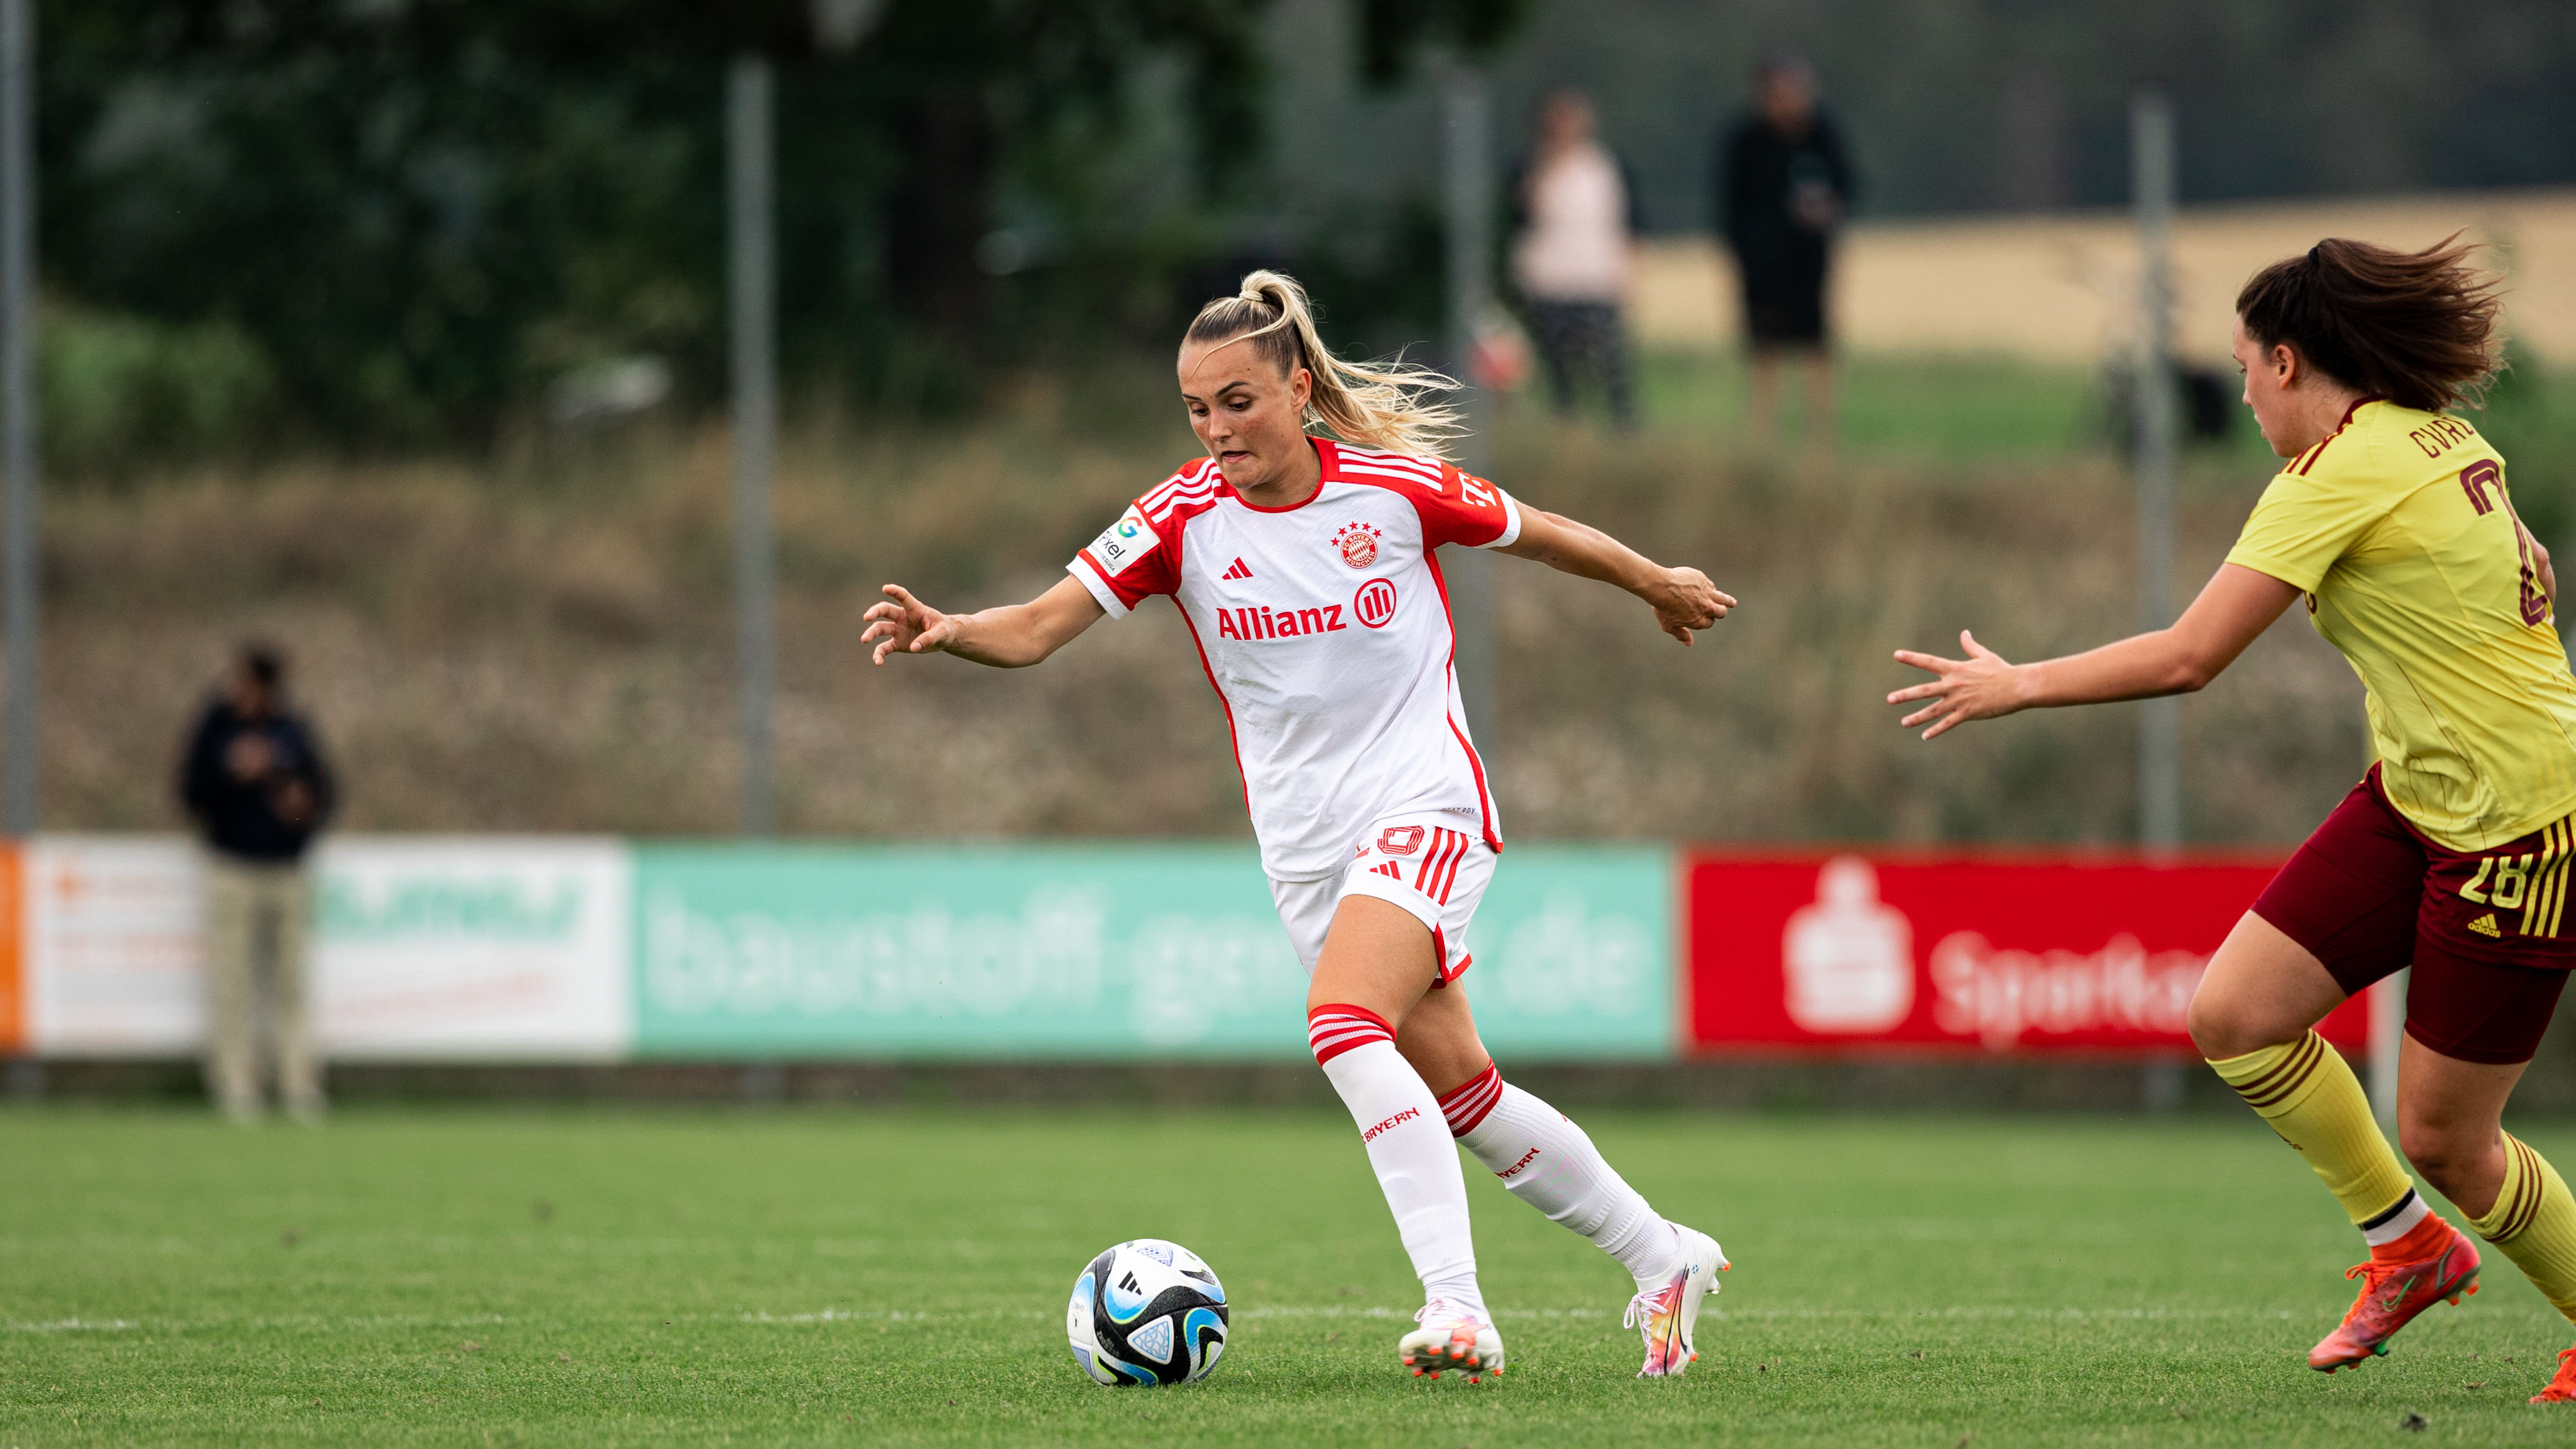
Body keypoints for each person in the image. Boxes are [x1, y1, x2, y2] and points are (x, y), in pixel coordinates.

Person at [863, 271, 1735, 1381]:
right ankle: (1662, 1254)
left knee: (1340, 1024)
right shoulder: (1177, 518)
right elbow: (1038, 627)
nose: (1216, 428)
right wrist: (950, 629)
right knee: (1464, 1090)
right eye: (1196, 408)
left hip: (1427, 804)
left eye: (1238, 401)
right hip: (1309, 850)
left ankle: (1458, 1308)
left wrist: (1658, 581)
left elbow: (1542, 531)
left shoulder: (1393, 490)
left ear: (1300, 388)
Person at [1888, 237, 2576, 1404]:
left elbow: (2191, 654)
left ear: (2291, 361)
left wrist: (2020, 684)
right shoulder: (2442, 434)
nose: (2244, 391)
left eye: (2248, 367)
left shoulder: (2342, 470)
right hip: (2418, 798)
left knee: (2452, 1138)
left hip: (2519, 827)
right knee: (2236, 1014)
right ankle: (2406, 1248)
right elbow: (2530, 564)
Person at [178, 644, 336, 1123]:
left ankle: (297, 1084)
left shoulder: (294, 730)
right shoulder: (216, 725)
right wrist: (233, 772)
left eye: (247, 683)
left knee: (291, 984)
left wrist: (294, 800)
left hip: (286, 871)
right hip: (232, 869)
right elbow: (191, 792)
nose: (238, 691)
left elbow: (319, 801)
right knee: (232, 981)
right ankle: (235, 1085)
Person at [1718, 52, 1854, 453]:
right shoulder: (1747, 141)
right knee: (1765, 350)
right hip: (1762, 266)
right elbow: (1732, 206)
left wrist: (1826, 212)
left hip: (1808, 262)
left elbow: (1847, 189)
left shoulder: (1822, 136)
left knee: (1816, 347)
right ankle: (1763, 438)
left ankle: (1822, 440)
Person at [1510, 89, 1638, 429]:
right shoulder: (1531, 165)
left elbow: (1628, 224)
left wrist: (1629, 276)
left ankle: (1622, 433)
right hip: (1549, 281)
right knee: (1559, 370)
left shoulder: (1606, 166)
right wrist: (1550, 162)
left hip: (1597, 280)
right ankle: (1567, 430)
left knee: (1611, 367)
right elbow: (1524, 212)